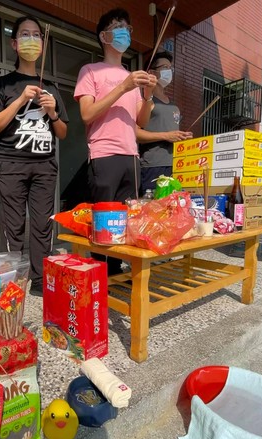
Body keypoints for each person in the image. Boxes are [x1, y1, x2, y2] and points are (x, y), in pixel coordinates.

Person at [0, 16, 68, 297]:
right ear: (14, 43)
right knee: (13, 225)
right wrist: (20, 100)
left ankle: (39, 279)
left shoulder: (52, 88)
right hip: (11, 163)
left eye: (36, 35)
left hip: (45, 165)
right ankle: (13, 280)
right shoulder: (3, 85)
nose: (31, 39)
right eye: (25, 34)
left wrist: (53, 111)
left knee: (43, 224)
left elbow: (63, 132)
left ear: (42, 44)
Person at [74, 7, 156, 274]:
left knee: (127, 220)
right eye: (117, 26)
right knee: (104, 221)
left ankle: (118, 271)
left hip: (131, 155)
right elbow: (87, 114)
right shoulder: (90, 71)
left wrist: (149, 95)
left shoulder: (133, 78)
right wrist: (123, 87)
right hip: (104, 154)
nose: (124, 31)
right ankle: (100, 275)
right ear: (104, 36)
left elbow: (140, 123)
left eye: (127, 27)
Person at [137, 51, 193, 193]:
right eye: (164, 67)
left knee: (173, 208)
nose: (169, 71)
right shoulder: (144, 101)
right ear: (151, 72)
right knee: (153, 208)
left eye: (170, 68)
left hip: (177, 165)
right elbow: (136, 133)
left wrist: (183, 138)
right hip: (153, 165)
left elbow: (172, 133)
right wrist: (166, 136)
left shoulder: (174, 105)